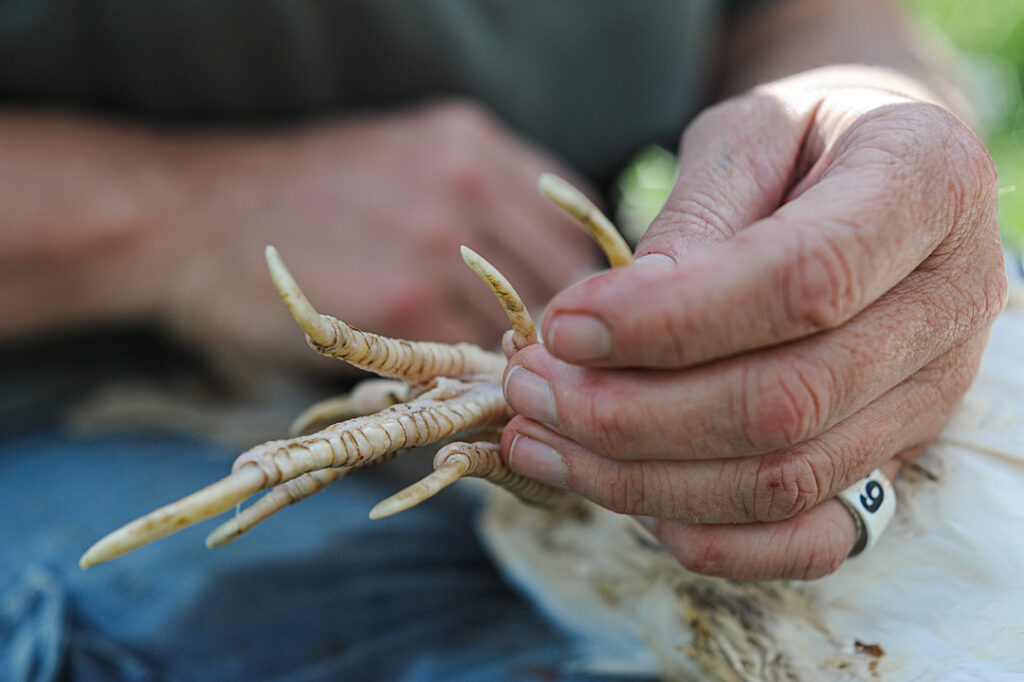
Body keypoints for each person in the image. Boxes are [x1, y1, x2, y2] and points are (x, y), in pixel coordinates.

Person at [0, 0, 1009, 679]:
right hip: (66, 396)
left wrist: (862, 113)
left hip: (566, 386)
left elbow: (802, 14)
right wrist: (177, 217)